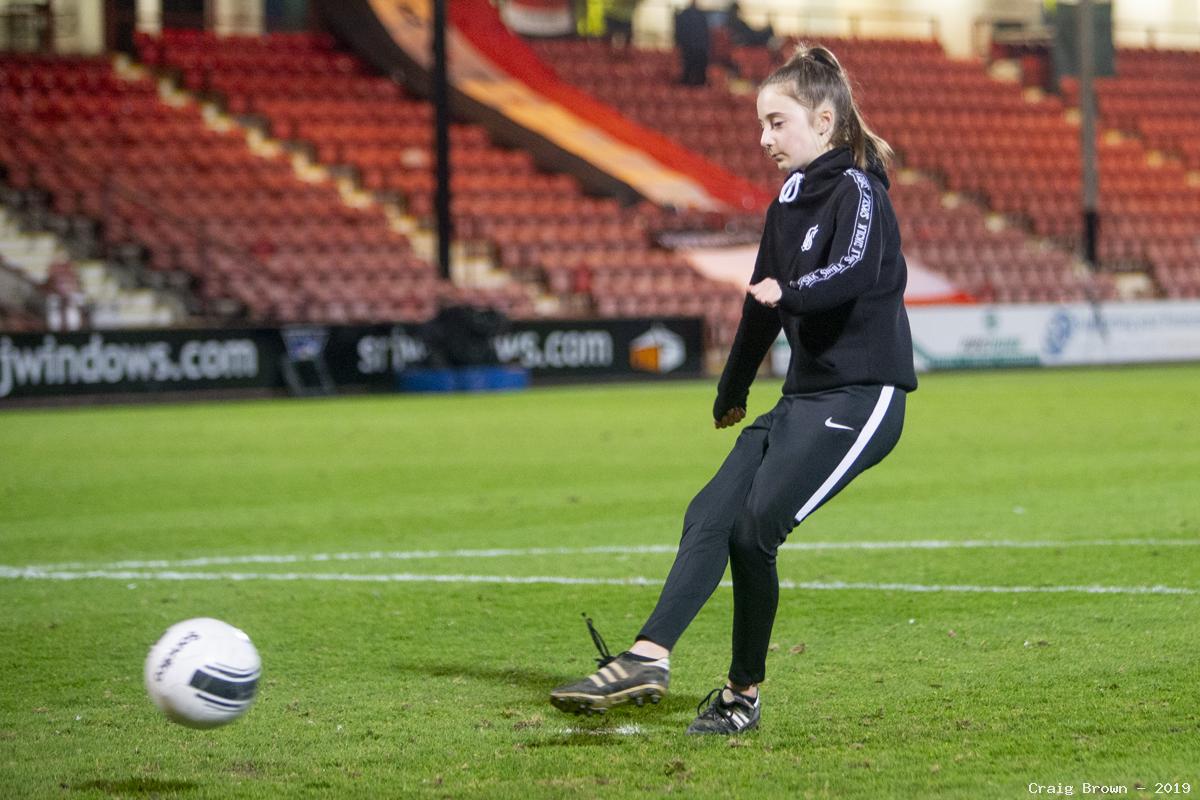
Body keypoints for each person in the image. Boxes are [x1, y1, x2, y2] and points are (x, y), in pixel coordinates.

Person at [550, 44, 917, 735]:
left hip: (862, 400)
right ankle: (647, 657)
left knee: (755, 533)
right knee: (711, 513)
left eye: (777, 123)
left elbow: (852, 273)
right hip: (804, 399)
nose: (764, 139)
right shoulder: (787, 201)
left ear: (826, 120)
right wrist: (733, 388)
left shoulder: (859, 190)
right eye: (762, 125)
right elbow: (760, 304)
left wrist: (793, 291)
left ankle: (741, 695)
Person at [674, 0, 710, 86]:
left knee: (695, 74)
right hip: (695, 49)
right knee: (691, 74)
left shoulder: (686, 15)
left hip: (694, 49)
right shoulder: (701, 16)